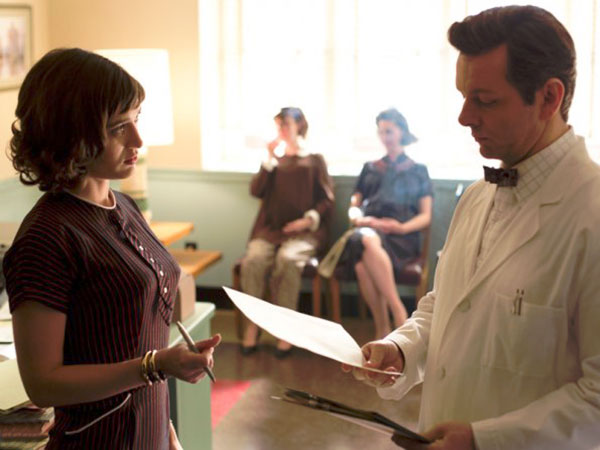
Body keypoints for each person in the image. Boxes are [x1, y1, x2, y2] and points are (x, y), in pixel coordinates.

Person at [344, 6, 600, 449]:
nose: (464, 117)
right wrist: (402, 350)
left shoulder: (591, 216)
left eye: (485, 100)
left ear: (549, 97)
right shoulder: (478, 196)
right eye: (463, 96)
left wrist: (486, 440)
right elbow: (447, 305)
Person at [3, 48, 221, 449]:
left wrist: (165, 432)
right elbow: (43, 383)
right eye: (119, 127)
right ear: (71, 134)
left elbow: (137, 344)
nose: (138, 139)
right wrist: (156, 365)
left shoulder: (123, 206)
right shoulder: (47, 237)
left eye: (136, 120)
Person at [240, 107, 334, 358]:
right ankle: (254, 325)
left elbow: (327, 200)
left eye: (286, 124)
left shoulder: (314, 159)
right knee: (254, 262)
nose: (282, 130)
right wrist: (268, 158)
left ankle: (285, 328)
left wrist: (307, 221)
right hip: (270, 230)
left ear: (299, 125)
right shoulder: (275, 162)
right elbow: (256, 191)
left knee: (288, 261)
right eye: (279, 125)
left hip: (303, 232)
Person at [340, 108, 432, 339]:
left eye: (389, 131)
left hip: (400, 238)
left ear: (401, 131)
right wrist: (356, 217)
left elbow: (425, 216)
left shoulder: (418, 170)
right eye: (381, 132)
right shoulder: (370, 168)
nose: (384, 137)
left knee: (363, 262)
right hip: (368, 231)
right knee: (366, 239)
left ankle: (388, 321)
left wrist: (400, 227)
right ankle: (394, 315)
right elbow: (354, 203)